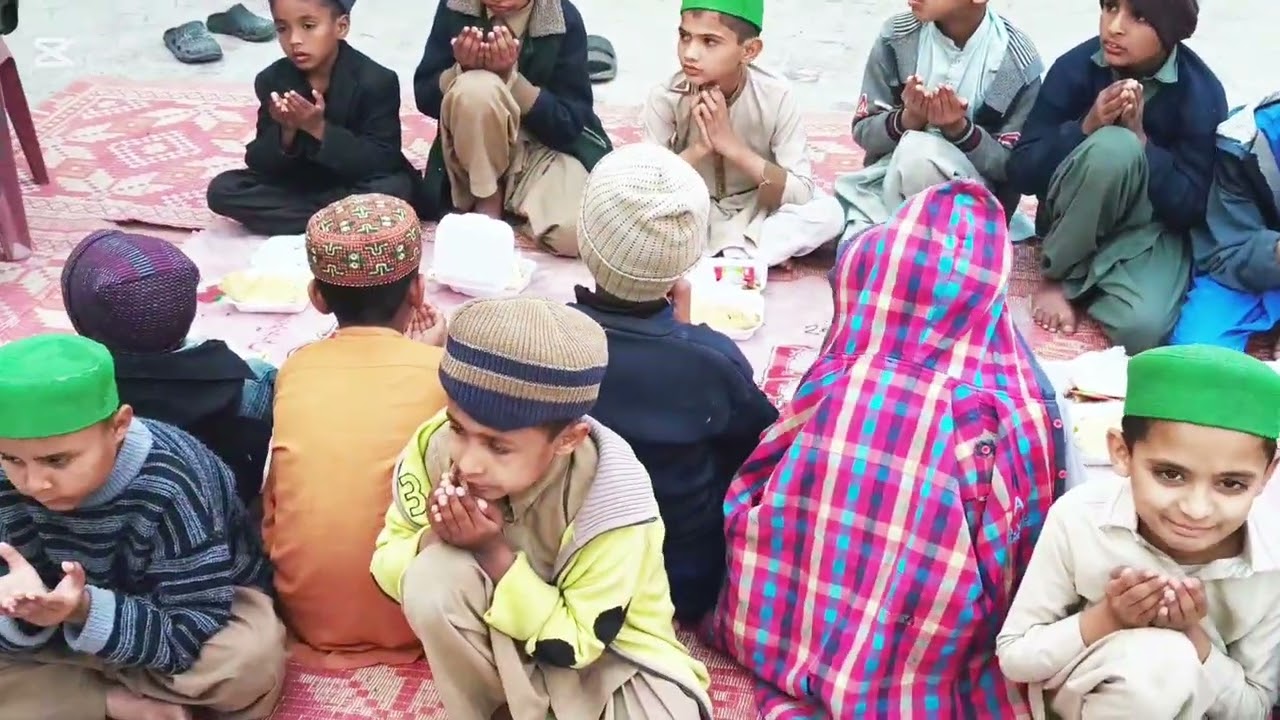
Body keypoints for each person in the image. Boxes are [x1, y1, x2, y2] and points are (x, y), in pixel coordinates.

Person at [707, 180, 1070, 718]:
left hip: (785, 626)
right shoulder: (1011, 407)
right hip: (926, 656)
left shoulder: (841, 372)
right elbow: (1029, 540)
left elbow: (762, 470)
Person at [370, 297, 712, 719]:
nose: (469, 462)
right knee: (432, 578)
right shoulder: (434, 448)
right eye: (460, 428)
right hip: (499, 649)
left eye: (498, 446)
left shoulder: (612, 497)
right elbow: (386, 566)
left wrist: (493, 554)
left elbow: (577, 645)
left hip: (609, 662)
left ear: (568, 440)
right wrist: (432, 538)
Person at [0, 334, 284, 720]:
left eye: (57, 460)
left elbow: (192, 623)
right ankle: (116, 704)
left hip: (171, 614)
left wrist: (83, 610)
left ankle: (67, 697)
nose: (33, 483)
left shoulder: (171, 481)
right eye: (12, 460)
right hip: (52, 631)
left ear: (119, 426)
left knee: (247, 662)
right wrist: (21, 610)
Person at [997, 344, 1280, 719]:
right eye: (1170, 474)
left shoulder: (1270, 561)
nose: (1196, 509)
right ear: (1121, 452)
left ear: (1267, 475)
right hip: (1083, 702)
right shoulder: (1081, 519)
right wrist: (1109, 618)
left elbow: (1256, 709)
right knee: (1162, 663)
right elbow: (1016, 657)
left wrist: (1194, 636)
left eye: (1230, 484)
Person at [569, 144, 778, 622]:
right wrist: (684, 337)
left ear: (583, 239)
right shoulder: (713, 362)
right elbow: (763, 448)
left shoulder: (552, 342)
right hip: (678, 582)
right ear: (687, 260)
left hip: (573, 569)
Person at [263, 194, 449, 669]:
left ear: (317, 297)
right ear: (418, 292)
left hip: (308, 614)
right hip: (416, 616)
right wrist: (431, 356)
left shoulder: (297, 368)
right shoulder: (444, 375)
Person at [1007, 0, 1225, 353]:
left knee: (1144, 330)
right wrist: (1085, 127)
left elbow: (1194, 207)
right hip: (1075, 212)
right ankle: (1059, 274)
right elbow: (1023, 172)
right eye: (1110, 7)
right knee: (1113, 147)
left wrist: (1144, 144)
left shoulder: (1201, 94)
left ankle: (1092, 277)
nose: (1115, 27)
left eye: (1138, 17)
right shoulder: (1075, 68)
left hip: (1148, 232)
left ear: (1169, 30)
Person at [60, 229, 274, 508]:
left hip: (104, 521)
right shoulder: (239, 381)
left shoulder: (58, 386)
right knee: (260, 373)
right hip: (223, 507)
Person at [642, 0, 843, 267]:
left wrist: (731, 147)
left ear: (749, 50)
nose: (690, 53)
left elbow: (801, 191)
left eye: (709, 42)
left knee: (828, 213)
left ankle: (712, 261)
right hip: (691, 210)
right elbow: (644, 187)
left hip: (756, 208)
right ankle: (745, 258)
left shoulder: (776, 96)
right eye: (684, 36)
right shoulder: (665, 97)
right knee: (629, 213)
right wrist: (700, 148)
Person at [413, 0, 612, 257]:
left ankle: (515, 200)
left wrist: (512, 80)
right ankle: (486, 195)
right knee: (477, 88)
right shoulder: (456, 7)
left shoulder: (563, 19)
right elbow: (425, 96)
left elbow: (570, 124)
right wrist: (459, 71)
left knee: (576, 234)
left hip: (536, 150)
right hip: (471, 148)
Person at [834, 0, 1043, 241]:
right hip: (885, 184)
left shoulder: (1015, 63)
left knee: (918, 155)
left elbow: (1012, 169)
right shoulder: (897, 38)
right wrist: (907, 119)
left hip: (971, 205)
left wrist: (960, 130)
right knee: (847, 240)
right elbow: (864, 131)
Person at [206, 0, 418, 236]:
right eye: (283, 29)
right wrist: (286, 132)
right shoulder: (272, 80)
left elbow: (383, 160)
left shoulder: (377, 81)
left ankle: (312, 220)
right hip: (299, 185)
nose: (294, 40)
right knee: (223, 190)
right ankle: (341, 221)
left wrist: (318, 128)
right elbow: (258, 162)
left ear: (341, 26)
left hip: (354, 183)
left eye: (308, 26)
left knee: (395, 189)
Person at [1170, 92, 1280, 353]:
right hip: (1255, 269)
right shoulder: (1248, 139)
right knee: (1197, 357)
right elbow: (1227, 249)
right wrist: (1274, 252)